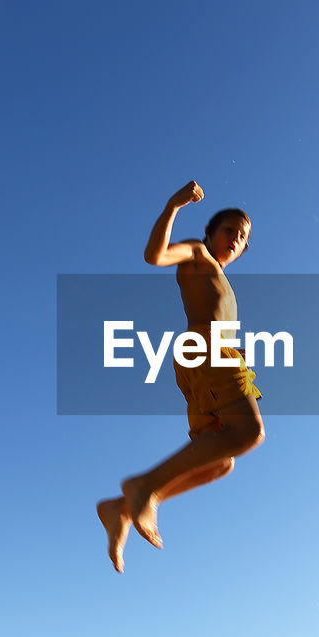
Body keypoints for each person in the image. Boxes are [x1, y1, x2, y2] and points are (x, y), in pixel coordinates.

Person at [97, 180, 265, 572]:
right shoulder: (198, 253)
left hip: (213, 359)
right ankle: (143, 488)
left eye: (241, 238)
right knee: (249, 433)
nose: (235, 239)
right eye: (229, 230)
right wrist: (174, 204)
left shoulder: (223, 278)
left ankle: (120, 509)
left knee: (221, 461)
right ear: (211, 232)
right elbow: (154, 256)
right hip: (207, 352)